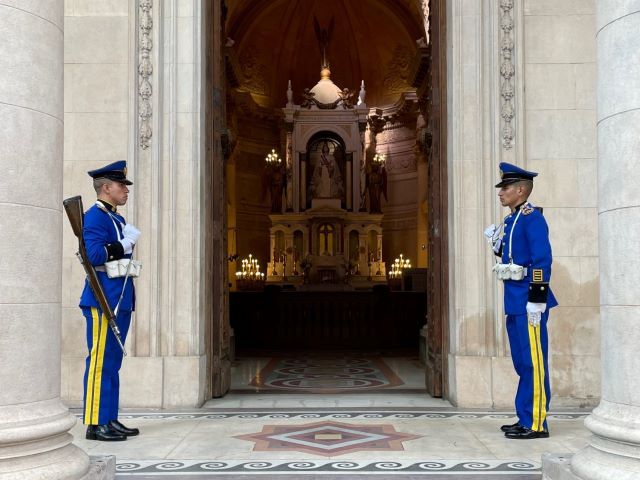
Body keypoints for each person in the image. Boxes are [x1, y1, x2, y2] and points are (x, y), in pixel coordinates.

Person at [486, 162, 558, 440]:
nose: (500, 193)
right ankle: (525, 416)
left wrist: (537, 298)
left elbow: (542, 260)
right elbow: (514, 256)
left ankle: (537, 423)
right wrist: (498, 246)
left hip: (530, 302)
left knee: (534, 363)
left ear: (520, 190)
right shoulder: (511, 220)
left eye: (505, 188)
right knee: (522, 362)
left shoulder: (532, 218)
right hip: (514, 302)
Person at [80, 160, 141, 441]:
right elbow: (93, 255)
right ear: (106, 188)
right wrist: (124, 245)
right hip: (103, 297)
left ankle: (109, 417)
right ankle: (95, 423)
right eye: (121, 186)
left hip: (120, 298)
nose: (126, 190)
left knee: (113, 363)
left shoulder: (116, 219)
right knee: (100, 362)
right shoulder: (95, 216)